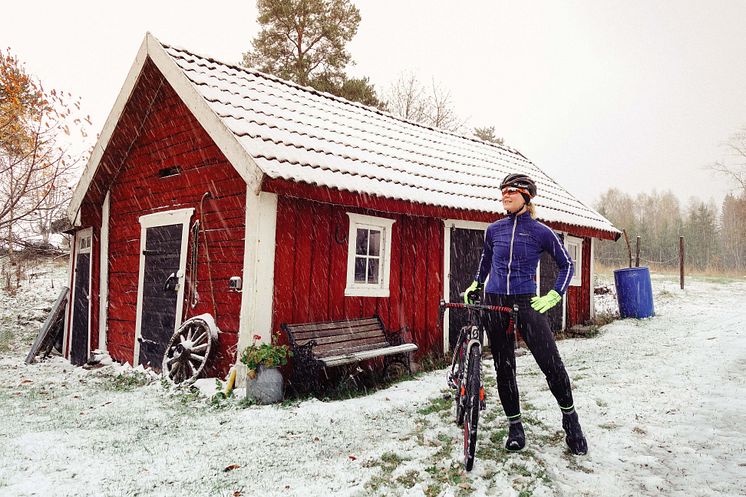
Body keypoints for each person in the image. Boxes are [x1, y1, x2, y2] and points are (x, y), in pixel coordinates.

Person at [463, 173, 588, 455]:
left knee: (551, 364)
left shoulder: (541, 231)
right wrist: (476, 282)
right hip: (495, 302)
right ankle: (515, 427)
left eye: (511, 191)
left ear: (526, 197)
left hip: (526, 302)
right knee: (504, 368)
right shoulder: (493, 230)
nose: (504, 195)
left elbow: (567, 264)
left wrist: (556, 293)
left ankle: (571, 421)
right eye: (502, 191)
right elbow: (485, 261)